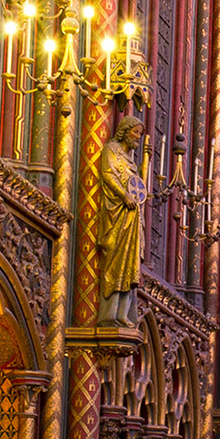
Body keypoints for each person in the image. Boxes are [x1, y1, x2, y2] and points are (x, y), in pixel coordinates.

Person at [94, 118, 146, 324]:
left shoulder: (131, 160)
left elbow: (139, 186)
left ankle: (122, 314)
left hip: (132, 218)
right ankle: (110, 314)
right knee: (116, 262)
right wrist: (124, 195)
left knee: (130, 265)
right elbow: (108, 174)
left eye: (140, 134)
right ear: (124, 131)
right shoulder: (111, 150)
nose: (138, 138)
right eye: (135, 132)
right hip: (117, 215)